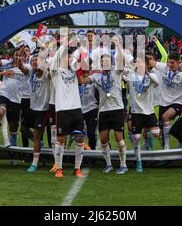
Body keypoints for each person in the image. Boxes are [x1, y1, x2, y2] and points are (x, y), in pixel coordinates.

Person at [80, 36, 129, 174]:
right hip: (103, 111)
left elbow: (121, 59)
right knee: (103, 139)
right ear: (100, 64)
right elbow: (82, 81)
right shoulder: (96, 76)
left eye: (107, 60)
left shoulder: (117, 71)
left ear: (111, 62)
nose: (105, 62)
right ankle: (108, 164)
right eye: (103, 61)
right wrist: (78, 70)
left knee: (119, 139)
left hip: (117, 109)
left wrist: (118, 44)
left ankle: (123, 164)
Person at [49, 34, 85, 178]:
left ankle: (77, 168)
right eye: (67, 57)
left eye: (70, 57)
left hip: (76, 108)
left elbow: (81, 53)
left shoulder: (74, 70)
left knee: (80, 138)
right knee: (61, 139)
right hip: (62, 109)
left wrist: (75, 43)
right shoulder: (55, 71)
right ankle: (59, 168)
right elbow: (56, 58)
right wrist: (64, 44)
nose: (70, 59)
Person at [123, 54, 160, 173]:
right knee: (136, 137)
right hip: (136, 112)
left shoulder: (151, 76)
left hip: (149, 111)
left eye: (141, 63)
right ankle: (139, 161)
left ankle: (149, 143)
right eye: (137, 62)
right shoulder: (131, 75)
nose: (138, 64)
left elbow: (157, 82)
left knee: (156, 133)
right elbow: (120, 71)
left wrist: (147, 73)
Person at [148, 51, 182, 150]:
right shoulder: (164, 67)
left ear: (178, 62)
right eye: (169, 62)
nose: (170, 65)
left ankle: (167, 146)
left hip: (177, 103)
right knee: (161, 131)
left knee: (165, 117)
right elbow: (151, 62)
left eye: (172, 63)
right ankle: (181, 141)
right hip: (163, 103)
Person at [27, 54, 51, 173]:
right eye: (33, 61)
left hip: (43, 109)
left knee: (37, 135)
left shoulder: (45, 75)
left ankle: (34, 163)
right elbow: (21, 67)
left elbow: (49, 70)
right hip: (32, 108)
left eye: (37, 60)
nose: (35, 62)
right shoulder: (31, 74)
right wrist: (21, 57)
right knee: (23, 128)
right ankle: (39, 143)